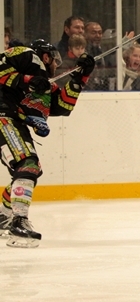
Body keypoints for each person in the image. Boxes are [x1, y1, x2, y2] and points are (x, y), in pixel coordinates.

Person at [0, 40, 95, 246]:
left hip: (11, 120)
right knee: (27, 164)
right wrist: (28, 80)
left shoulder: (45, 83)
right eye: (54, 59)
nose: (55, 65)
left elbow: (62, 106)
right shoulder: (27, 55)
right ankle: (18, 221)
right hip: (3, 116)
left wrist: (80, 77)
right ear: (45, 56)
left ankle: (3, 216)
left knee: (31, 169)